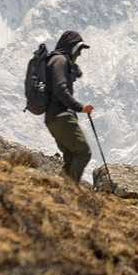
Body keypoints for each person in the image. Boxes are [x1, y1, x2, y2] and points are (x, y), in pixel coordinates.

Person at [44, 30, 94, 183]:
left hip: (54, 118)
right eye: (78, 49)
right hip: (62, 116)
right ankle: (70, 191)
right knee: (83, 152)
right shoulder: (60, 61)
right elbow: (60, 89)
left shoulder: (57, 60)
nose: (80, 53)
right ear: (71, 47)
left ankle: (57, 193)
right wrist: (80, 107)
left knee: (72, 156)